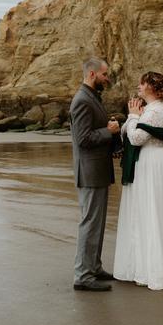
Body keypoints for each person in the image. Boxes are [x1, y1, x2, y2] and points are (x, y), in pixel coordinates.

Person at [113, 71, 163, 290]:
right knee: (143, 211)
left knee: (151, 211)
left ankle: (154, 270)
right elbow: (126, 134)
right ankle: (142, 265)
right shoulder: (146, 110)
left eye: (142, 83)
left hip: (152, 164)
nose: (138, 86)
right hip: (145, 164)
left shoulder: (156, 110)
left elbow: (137, 137)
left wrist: (131, 116)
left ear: (151, 87)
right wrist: (129, 120)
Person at [69, 57, 122, 292]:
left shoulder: (92, 97)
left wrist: (108, 131)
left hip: (98, 170)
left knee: (97, 224)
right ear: (92, 74)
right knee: (89, 223)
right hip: (89, 172)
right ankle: (82, 275)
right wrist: (108, 131)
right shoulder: (81, 100)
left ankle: (95, 267)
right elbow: (82, 139)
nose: (107, 78)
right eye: (104, 75)